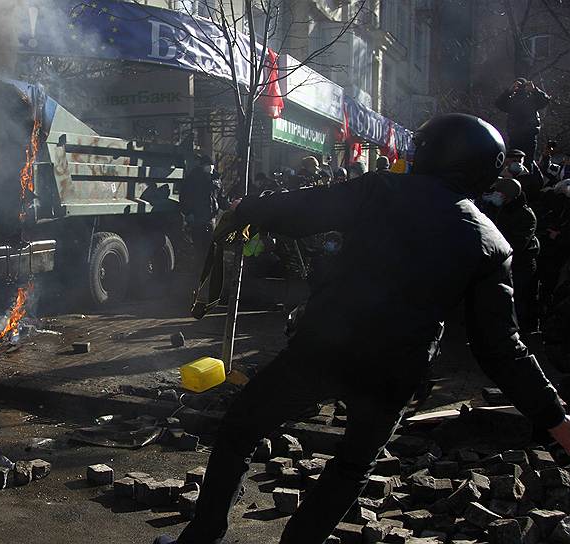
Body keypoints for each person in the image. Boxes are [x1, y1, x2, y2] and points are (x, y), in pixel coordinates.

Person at [156, 114, 570, 544]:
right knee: (352, 466)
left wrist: (247, 208)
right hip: (395, 372)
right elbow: (501, 348)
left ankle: (201, 537)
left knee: (239, 431)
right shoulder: (492, 243)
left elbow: (303, 210)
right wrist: (556, 418)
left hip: (324, 348)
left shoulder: (382, 189)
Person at [481, 177, 541, 333]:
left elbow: (517, 243)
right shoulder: (497, 208)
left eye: (499, 193)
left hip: (520, 264)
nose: (495, 195)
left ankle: (517, 331)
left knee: (518, 299)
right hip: (502, 262)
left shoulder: (525, 215)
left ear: (508, 196)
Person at [496, 78, 550, 166]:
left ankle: (523, 176)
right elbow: (499, 103)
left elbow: (545, 100)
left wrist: (534, 90)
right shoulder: (514, 101)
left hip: (524, 135)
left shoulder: (529, 100)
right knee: (525, 161)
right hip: (521, 135)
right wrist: (509, 91)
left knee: (520, 162)